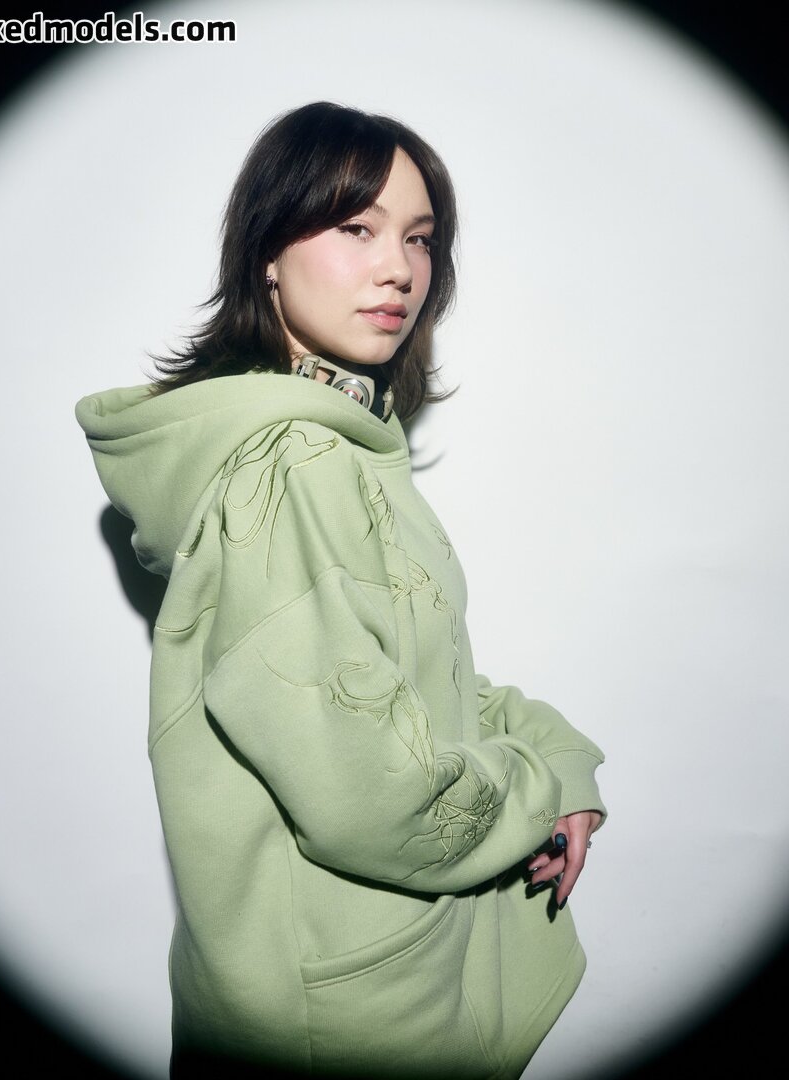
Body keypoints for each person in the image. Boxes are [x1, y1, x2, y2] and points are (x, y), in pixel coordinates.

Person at [76, 102, 606, 1080]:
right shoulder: (296, 467)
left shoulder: (345, 448)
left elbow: (421, 682)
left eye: (419, 238)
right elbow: (375, 796)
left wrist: (560, 755)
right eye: (356, 227)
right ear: (268, 253)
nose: (398, 268)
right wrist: (537, 793)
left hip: (360, 982)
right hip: (347, 1017)